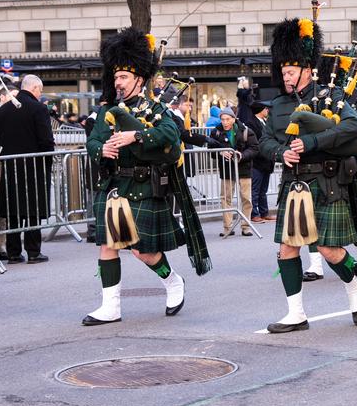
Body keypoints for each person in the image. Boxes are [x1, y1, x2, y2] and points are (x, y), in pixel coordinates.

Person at [260, 16, 357, 333]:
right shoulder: (279, 105)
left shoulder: (331, 96)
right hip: (294, 184)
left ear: (306, 69)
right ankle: (295, 314)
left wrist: (312, 141)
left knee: (328, 250)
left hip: (326, 183)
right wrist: (280, 152)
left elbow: (353, 127)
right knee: (287, 248)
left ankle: (355, 285)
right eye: (282, 71)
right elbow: (265, 139)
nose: (285, 77)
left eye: (290, 71)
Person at [82, 28, 210, 326]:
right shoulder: (107, 112)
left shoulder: (155, 109)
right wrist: (104, 149)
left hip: (141, 187)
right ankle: (110, 307)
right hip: (114, 187)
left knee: (143, 252)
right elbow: (92, 142)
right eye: (115, 78)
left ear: (139, 78)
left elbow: (169, 134)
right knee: (108, 246)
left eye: (123, 78)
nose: (118, 83)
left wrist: (134, 136)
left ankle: (172, 280)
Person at [0, 74, 55, 263]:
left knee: (13, 209)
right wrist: (47, 160)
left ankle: (13, 252)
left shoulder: (2, 111)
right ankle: (33, 251)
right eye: (40, 91)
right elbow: (46, 139)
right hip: (33, 165)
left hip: (10, 166)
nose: (40, 94)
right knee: (32, 209)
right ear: (35, 88)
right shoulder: (38, 109)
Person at [209, 107, 259, 238]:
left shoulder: (245, 130)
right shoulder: (216, 132)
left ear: (233, 119)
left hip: (244, 168)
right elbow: (211, 150)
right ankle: (227, 227)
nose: (225, 122)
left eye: (227, 119)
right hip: (226, 169)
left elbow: (254, 148)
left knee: (246, 198)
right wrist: (220, 152)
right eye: (222, 119)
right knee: (226, 198)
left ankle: (245, 226)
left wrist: (242, 155)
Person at [247, 100, 276, 223]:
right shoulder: (251, 123)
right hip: (257, 161)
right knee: (255, 189)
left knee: (263, 189)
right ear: (260, 110)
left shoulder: (266, 122)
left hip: (267, 161)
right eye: (265, 108)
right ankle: (254, 214)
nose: (267, 110)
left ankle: (264, 212)